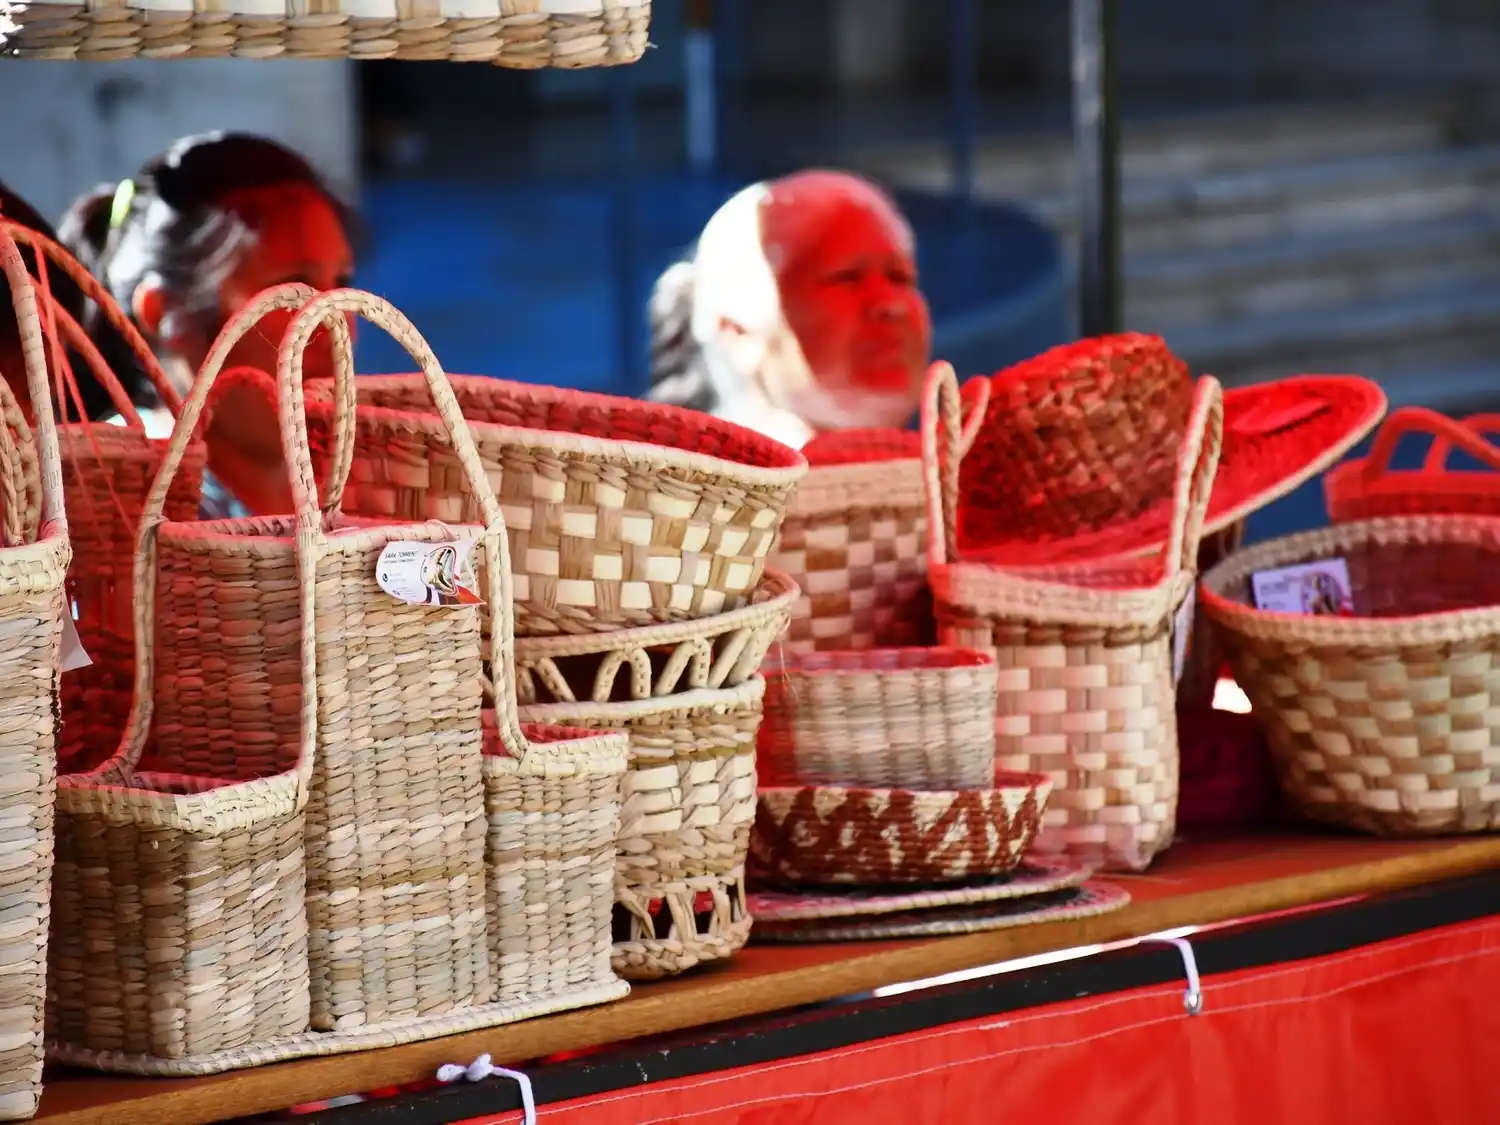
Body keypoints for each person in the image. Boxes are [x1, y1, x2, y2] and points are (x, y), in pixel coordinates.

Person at [58, 131, 358, 517]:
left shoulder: (369, 490)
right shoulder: (111, 507)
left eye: (343, 283)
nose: (338, 324)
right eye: (293, 289)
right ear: (165, 314)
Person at [646, 169, 932, 448]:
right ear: (738, 332)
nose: (890, 305)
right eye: (846, 277)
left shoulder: (956, 483)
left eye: (901, 277)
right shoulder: (682, 490)